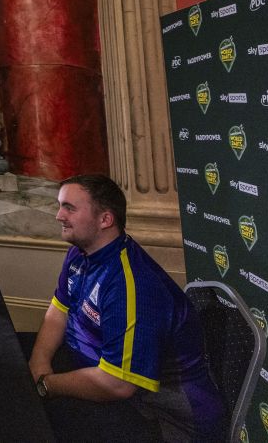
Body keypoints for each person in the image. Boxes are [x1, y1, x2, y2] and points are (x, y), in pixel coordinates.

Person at [27, 174, 224, 442]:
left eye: (69, 208)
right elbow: (59, 309)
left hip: (160, 415)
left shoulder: (132, 285)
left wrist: (46, 385)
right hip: (99, 374)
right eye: (60, 206)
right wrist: (38, 363)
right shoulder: (80, 253)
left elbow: (117, 385)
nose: (59, 216)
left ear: (105, 219)